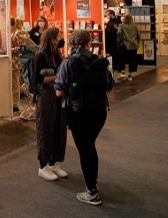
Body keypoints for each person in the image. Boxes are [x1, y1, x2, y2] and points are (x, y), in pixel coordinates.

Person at [54, 30, 111, 206]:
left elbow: (59, 91)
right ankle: (91, 184)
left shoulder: (68, 63)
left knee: (85, 149)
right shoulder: (99, 61)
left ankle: (92, 191)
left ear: (72, 43)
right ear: (88, 43)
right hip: (99, 111)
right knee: (88, 146)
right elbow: (109, 85)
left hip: (78, 112)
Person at [33, 27, 67, 181]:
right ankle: (43, 166)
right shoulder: (40, 56)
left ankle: (53, 162)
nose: (58, 41)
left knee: (59, 129)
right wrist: (58, 75)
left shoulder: (57, 55)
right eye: (56, 38)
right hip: (46, 96)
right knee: (45, 129)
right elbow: (39, 80)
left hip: (58, 96)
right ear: (49, 39)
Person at [10, 17, 35, 112]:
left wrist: (10, 50)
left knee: (15, 83)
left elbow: (21, 48)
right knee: (14, 82)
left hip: (15, 62)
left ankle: (15, 104)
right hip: (12, 61)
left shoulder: (17, 34)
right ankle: (14, 102)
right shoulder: (13, 33)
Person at [117, 15, 140, 81]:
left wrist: (119, 41)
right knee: (132, 60)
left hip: (124, 45)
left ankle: (122, 72)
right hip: (133, 45)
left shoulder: (121, 25)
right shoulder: (135, 26)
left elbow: (118, 33)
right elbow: (138, 35)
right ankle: (130, 75)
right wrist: (137, 42)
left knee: (122, 59)